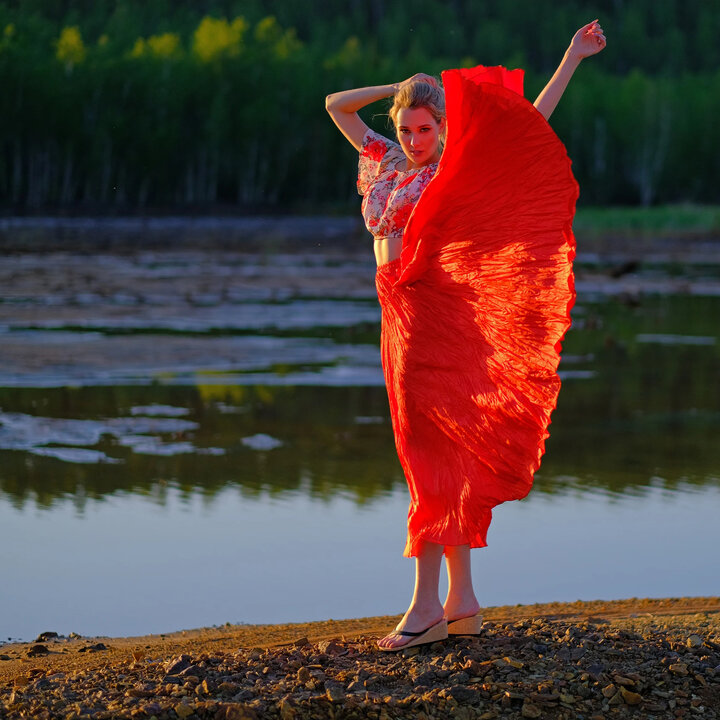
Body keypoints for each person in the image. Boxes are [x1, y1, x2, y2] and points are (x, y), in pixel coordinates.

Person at [325, 20, 606, 651]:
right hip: (396, 314)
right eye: (407, 127)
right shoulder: (384, 159)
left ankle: (427, 605)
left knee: (426, 450)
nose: (416, 139)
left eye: (427, 129)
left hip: (433, 313)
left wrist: (570, 58)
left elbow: (527, 122)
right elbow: (335, 107)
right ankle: (462, 601)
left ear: (444, 128)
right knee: (435, 449)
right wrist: (399, 88)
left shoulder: (451, 164)